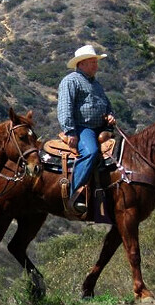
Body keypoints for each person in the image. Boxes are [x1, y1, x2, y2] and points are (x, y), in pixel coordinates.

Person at [57, 44, 116, 214]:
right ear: (81, 63)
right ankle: (74, 194)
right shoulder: (71, 81)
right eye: (92, 62)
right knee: (90, 152)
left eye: (96, 62)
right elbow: (64, 107)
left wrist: (110, 115)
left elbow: (107, 105)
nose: (96, 65)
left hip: (102, 128)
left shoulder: (96, 84)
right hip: (83, 128)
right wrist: (70, 131)